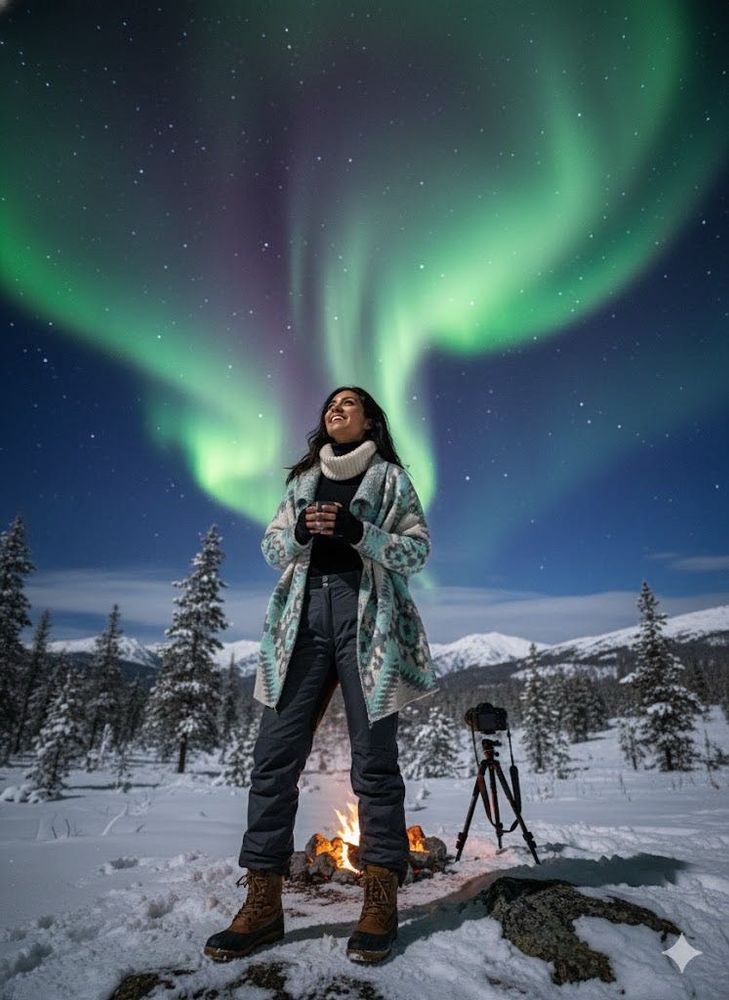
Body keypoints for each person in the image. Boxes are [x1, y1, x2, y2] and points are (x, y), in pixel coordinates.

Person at [204, 386, 437, 964]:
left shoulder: (389, 480)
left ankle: (379, 896)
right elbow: (272, 547)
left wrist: (359, 533)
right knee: (273, 758)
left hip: (368, 620)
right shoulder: (302, 482)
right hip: (301, 622)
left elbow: (416, 552)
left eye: (350, 403)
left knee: (374, 763)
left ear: (371, 421)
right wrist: (304, 533)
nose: (336, 408)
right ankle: (262, 904)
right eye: (331, 403)